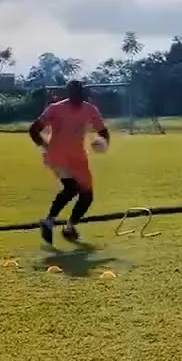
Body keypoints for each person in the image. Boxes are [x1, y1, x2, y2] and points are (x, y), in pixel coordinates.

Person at [29, 80, 109, 245]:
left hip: (78, 157)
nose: (78, 96)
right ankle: (48, 221)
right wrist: (46, 146)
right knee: (72, 187)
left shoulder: (89, 109)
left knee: (87, 195)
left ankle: (70, 227)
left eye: (80, 93)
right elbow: (34, 130)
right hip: (58, 156)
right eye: (74, 93)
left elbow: (103, 131)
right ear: (69, 94)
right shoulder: (55, 109)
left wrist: (102, 142)